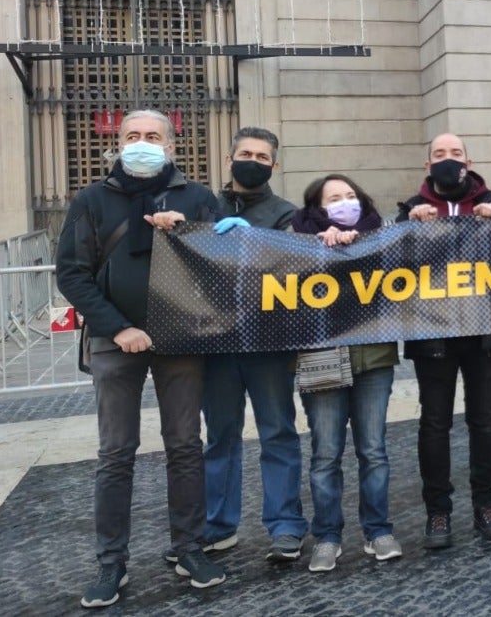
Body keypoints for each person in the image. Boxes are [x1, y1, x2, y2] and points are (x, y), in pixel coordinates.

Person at [56, 109, 226, 608]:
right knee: (115, 454)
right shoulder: (91, 200)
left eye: (153, 136)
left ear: (172, 146)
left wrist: (186, 234)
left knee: (185, 445)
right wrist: (119, 327)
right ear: (118, 143)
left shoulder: (197, 198)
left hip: (181, 340)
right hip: (116, 341)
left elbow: (222, 265)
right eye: (132, 136)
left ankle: (189, 548)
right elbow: (72, 273)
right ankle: (111, 564)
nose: (142, 142)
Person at [397, 133, 491, 548]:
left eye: (456, 153)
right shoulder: (408, 212)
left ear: (469, 161)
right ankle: (438, 512)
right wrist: (406, 231)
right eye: (440, 154)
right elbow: (393, 269)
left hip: (484, 332)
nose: (448, 160)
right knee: (435, 423)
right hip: (434, 334)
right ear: (428, 164)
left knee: (485, 421)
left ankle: (486, 504)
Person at [200, 127, 306, 563]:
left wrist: (258, 242)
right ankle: (218, 526)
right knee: (220, 436)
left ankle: (285, 527)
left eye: (262, 156)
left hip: (269, 343)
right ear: (229, 160)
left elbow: (296, 268)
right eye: (245, 153)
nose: (253, 161)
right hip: (217, 343)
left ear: (274, 166)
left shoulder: (288, 213)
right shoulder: (204, 207)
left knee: (277, 433)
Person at [290, 175, 401, 572]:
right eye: (334, 198)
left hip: (374, 360)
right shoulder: (296, 240)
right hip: (320, 359)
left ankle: (378, 531)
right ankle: (328, 537)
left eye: (351, 195)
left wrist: (363, 247)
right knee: (325, 455)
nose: (344, 203)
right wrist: (320, 252)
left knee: (374, 451)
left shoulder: (381, 236)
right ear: (317, 207)